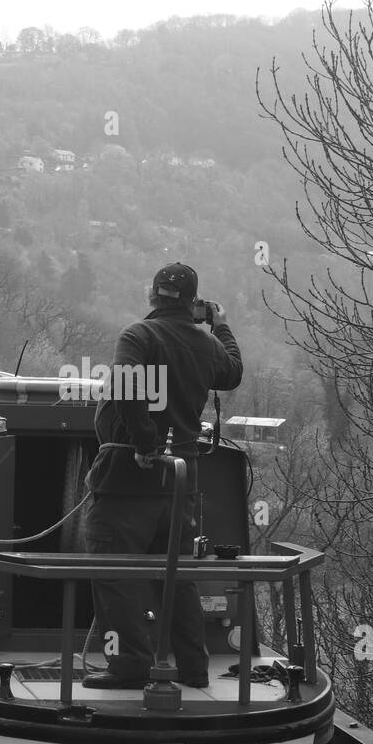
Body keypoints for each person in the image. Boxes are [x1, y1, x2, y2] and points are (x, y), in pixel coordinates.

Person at [81, 262, 243, 689]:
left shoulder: (139, 335)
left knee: (113, 572)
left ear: (153, 296)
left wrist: (145, 442)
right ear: (195, 304)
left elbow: (125, 386)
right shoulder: (208, 345)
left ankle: (131, 662)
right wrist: (221, 327)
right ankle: (193, 667)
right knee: (177, 573)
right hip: (180, 483)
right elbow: (233, 373)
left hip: (126, 481)